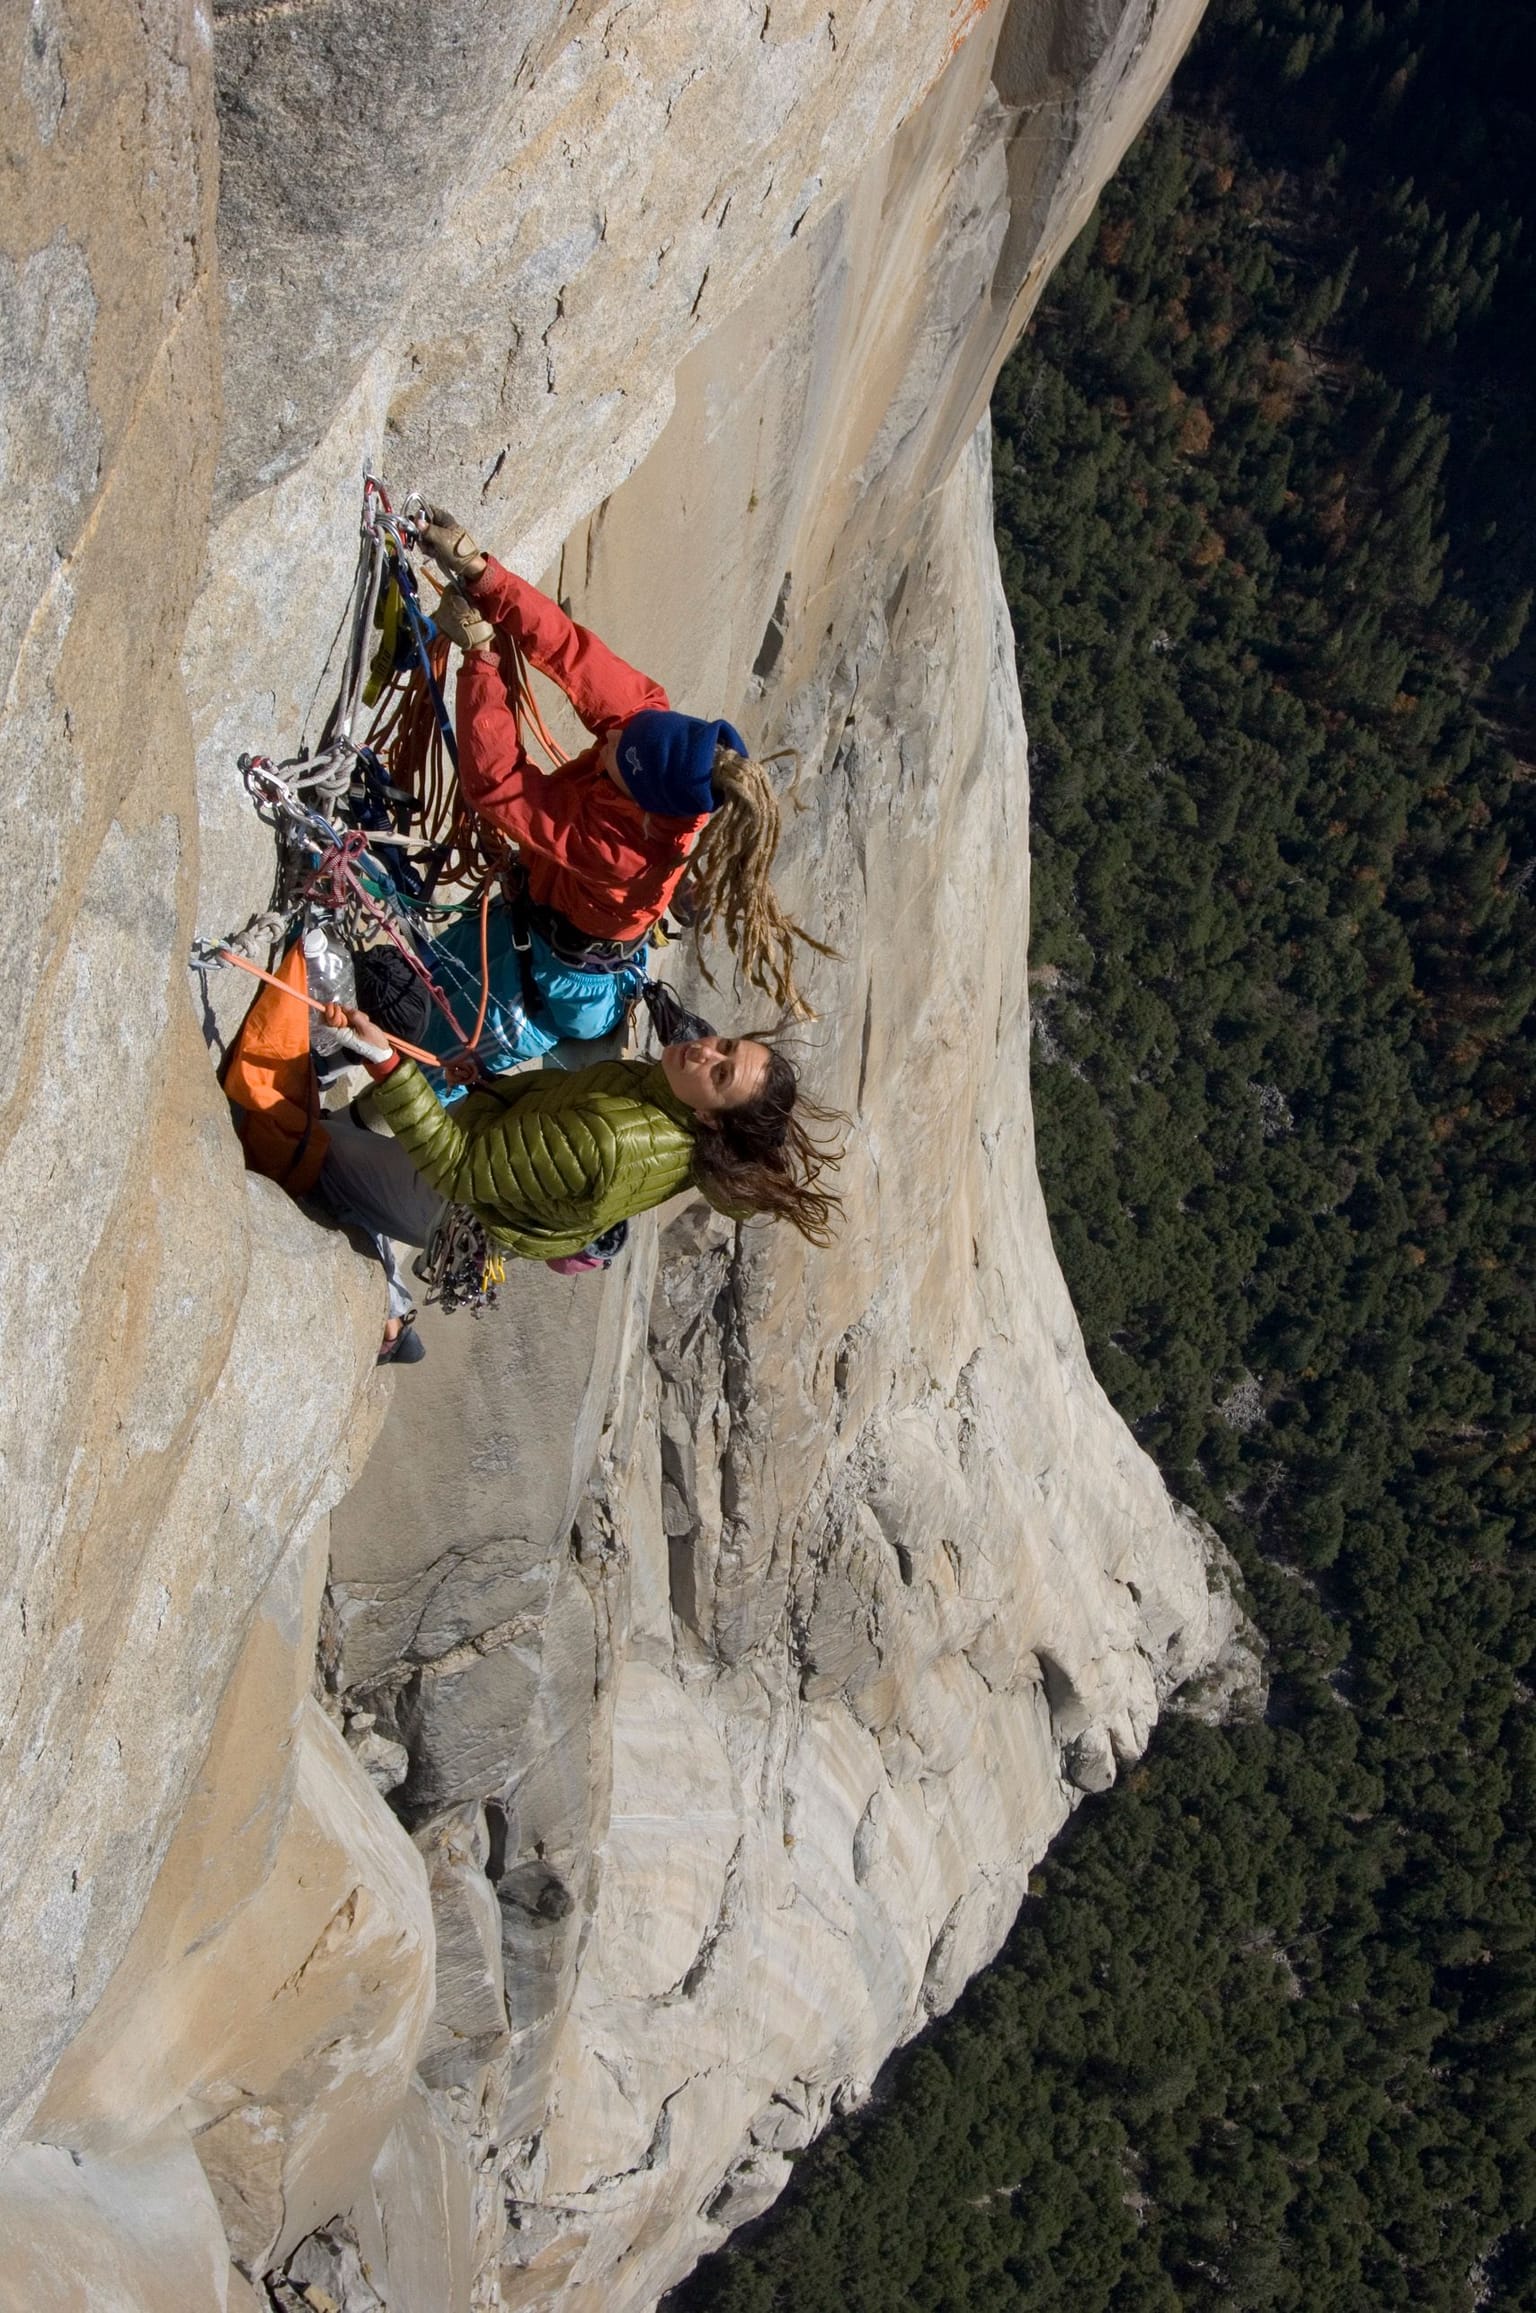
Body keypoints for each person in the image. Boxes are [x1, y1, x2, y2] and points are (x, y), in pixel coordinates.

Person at [353, 504, 826, 1082]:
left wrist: (481, 660)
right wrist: (484, 574)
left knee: (438, 1050)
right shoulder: (652, 736)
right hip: (538, 913)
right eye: (625, 729)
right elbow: (569, 651)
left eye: (619, 752)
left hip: (561, 977)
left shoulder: (627, 851)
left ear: (643, 800)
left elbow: (500, 784)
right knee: (425, 972)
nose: (613, 733)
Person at [319, 1001, 843, 1361]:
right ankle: (379, 1262)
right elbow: (548, 1125)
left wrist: (386, 1064)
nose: (706, 1052)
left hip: (444, 1197)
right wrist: (489, 1086)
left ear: (712, 1120)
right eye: (725, 1044)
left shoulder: (616, 1140)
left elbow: (461, 1170)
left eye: (721, 1074)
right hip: (472, 1183)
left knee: (305, 1143)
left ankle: (386, 1303)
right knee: (329, 1133)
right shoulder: (663, 1099)